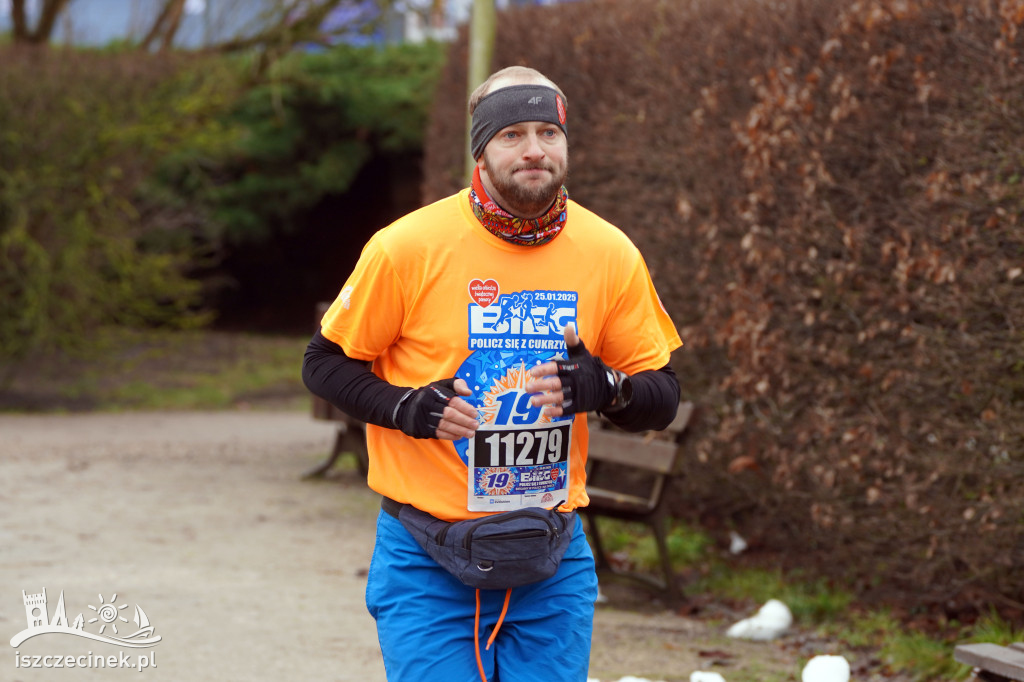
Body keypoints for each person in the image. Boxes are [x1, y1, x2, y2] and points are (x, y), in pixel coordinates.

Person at [303, 65, 682, 682]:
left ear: (565, 143)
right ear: (480, 149)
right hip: (425, 554)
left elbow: (662, 395)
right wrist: (406, 407)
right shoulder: (407, 248)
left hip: (551, 556)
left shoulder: (609, 252)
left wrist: (604, 388)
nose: (534, 150)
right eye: (512, 134)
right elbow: (323, 363)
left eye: (548, 133)